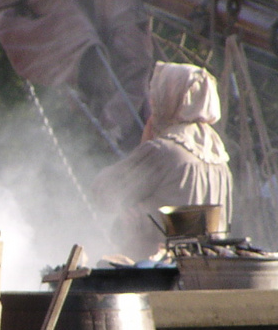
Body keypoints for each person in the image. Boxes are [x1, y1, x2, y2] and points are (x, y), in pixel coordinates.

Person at [91, 61, 232, 261]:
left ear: (172, 97)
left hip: (154, 271)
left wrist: (145, 144)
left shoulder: (164, 150)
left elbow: (104, 193)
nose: (153, 102)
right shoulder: (219, 157)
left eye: (157, 94)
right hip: (203, 269)